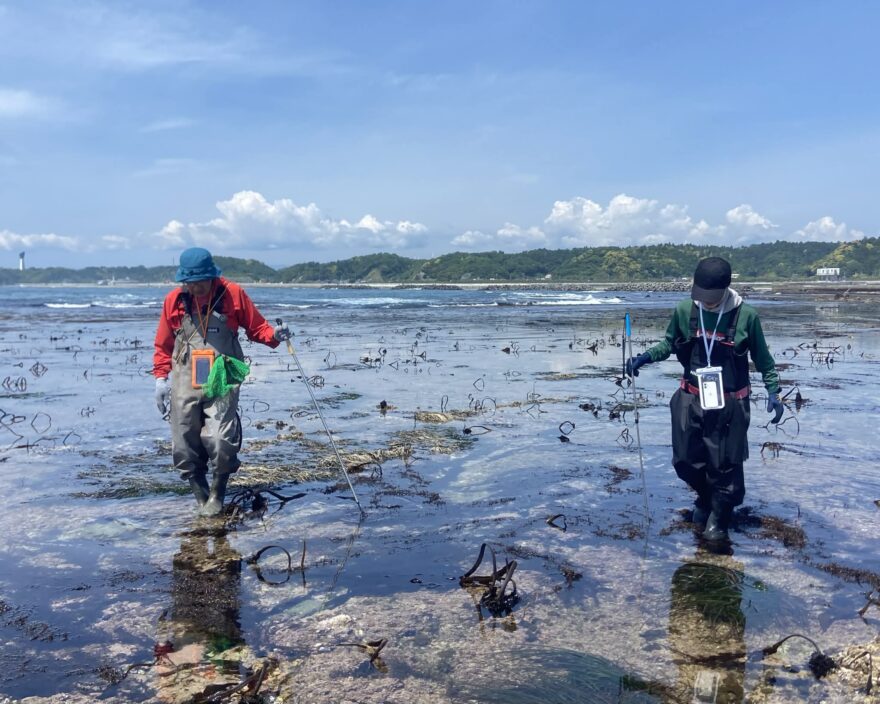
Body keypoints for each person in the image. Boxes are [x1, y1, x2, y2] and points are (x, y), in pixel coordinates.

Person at [625, 257, 782, 544]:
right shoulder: (685, 310)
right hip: (690, 397)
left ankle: (720, 517)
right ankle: (706, 498)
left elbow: (763, 359)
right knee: (685, 461)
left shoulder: (746, 316)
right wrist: (645, 358)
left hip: (730, 403)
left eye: (712, 298)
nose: (706, 302)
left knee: (725, 464)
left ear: (725, 289)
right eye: (702, 297)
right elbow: (670, 343)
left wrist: (774, 390)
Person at [153, 247, 290, 516]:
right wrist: (160, 379)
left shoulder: (232, 294)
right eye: (189, 284)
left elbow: (257, 328)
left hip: (222, 373)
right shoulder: (174, 301)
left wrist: (275, 333)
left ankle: (218, 491)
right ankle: (200, 495)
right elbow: (163, 343)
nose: (195, 288)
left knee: (219, 439)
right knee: (183, 440)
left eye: (200, 283)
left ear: (212, 276)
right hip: (184, 375)